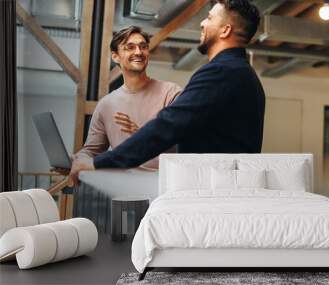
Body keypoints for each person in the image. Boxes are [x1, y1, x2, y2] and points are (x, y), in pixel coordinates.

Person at [70, 0, 265, 182]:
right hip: (224, 188)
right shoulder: (243, 73)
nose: (202, 23)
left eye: (210, 18)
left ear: (225, 30)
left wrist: (99, 162)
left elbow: (168, 126)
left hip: (214, 191)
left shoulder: (221, 71)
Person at [56, 26, 181, 177]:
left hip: (161, 183)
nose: (138, 52)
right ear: (115, 56)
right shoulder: (106, 104)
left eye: (143, 47)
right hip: (122, 187)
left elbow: (184, 142)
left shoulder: (171, 93)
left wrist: (143, 134)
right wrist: (74, 161)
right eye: (130, 47)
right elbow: (91, 151)